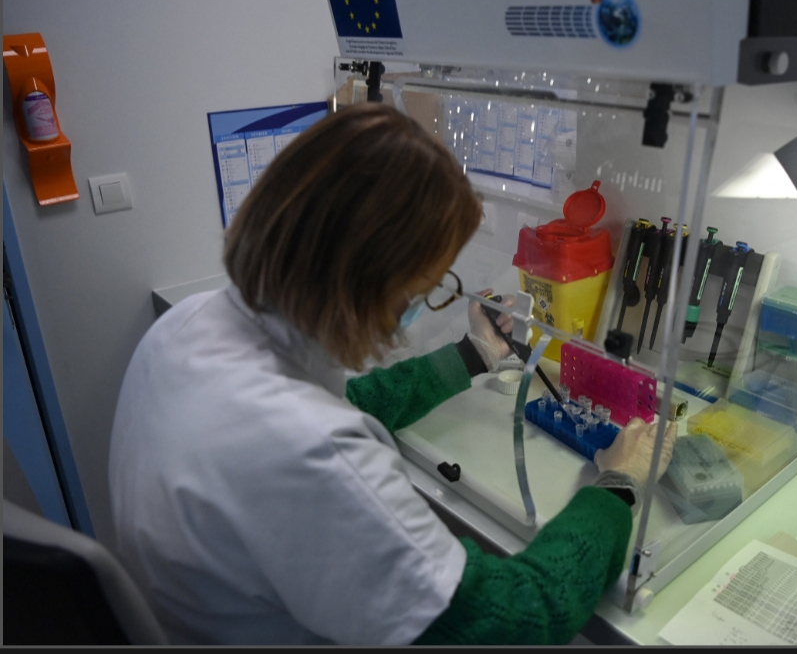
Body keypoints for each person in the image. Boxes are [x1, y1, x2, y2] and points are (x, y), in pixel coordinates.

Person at [108, 103, 675, 646]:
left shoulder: (186, 328)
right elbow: (517, 620)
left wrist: (473, 355)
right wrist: (618, 487)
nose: (411, 316)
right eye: (420, 291)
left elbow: (347, 401)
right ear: (363, 285)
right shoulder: (316, 458)